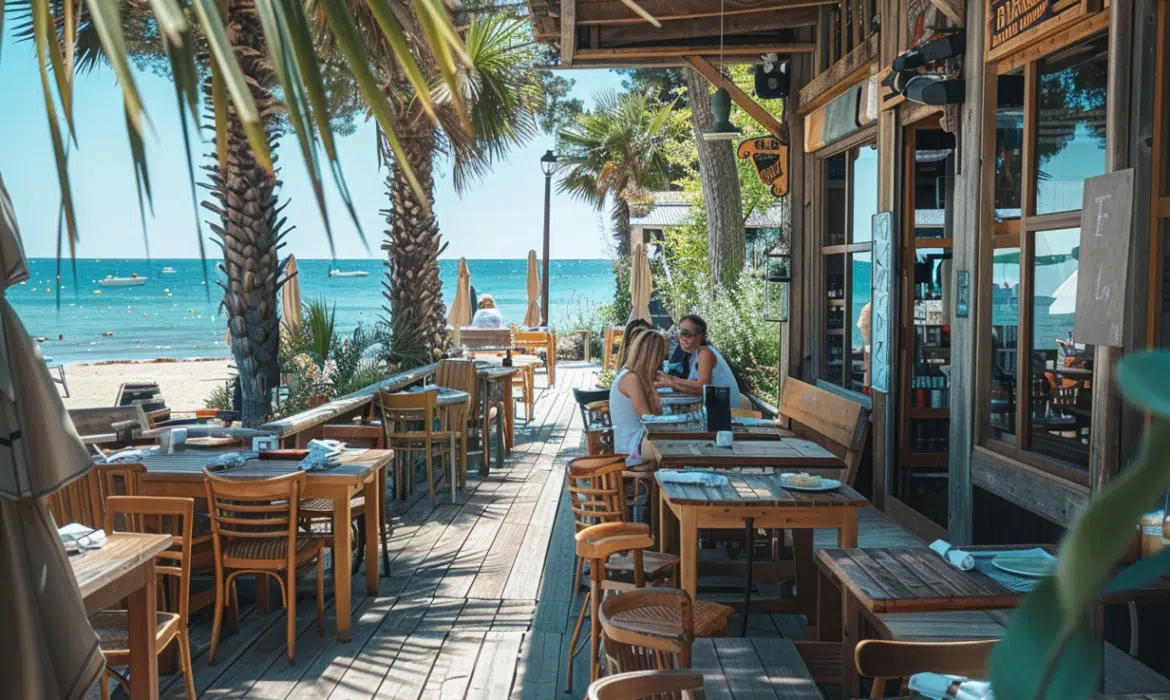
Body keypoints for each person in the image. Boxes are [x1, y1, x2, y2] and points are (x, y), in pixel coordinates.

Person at [657, 314, 744, 408]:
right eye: (679, 332)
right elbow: (691, 386)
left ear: (699, 336)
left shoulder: (705, 353)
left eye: (685, 333)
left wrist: (670, 381)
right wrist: (670, 380)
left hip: (727, 413)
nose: (681, 337)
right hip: (717, 408)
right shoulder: (694, 355)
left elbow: (702, 387)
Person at [609, 329, 669, 461]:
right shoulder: (631, 378)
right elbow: (649, 419)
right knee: (678, 446)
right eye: (661, 355)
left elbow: (655, 415)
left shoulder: (631, 374)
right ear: (652, 355)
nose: (662, 359)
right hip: (632, 448)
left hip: (636, 442)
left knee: (676, 441)